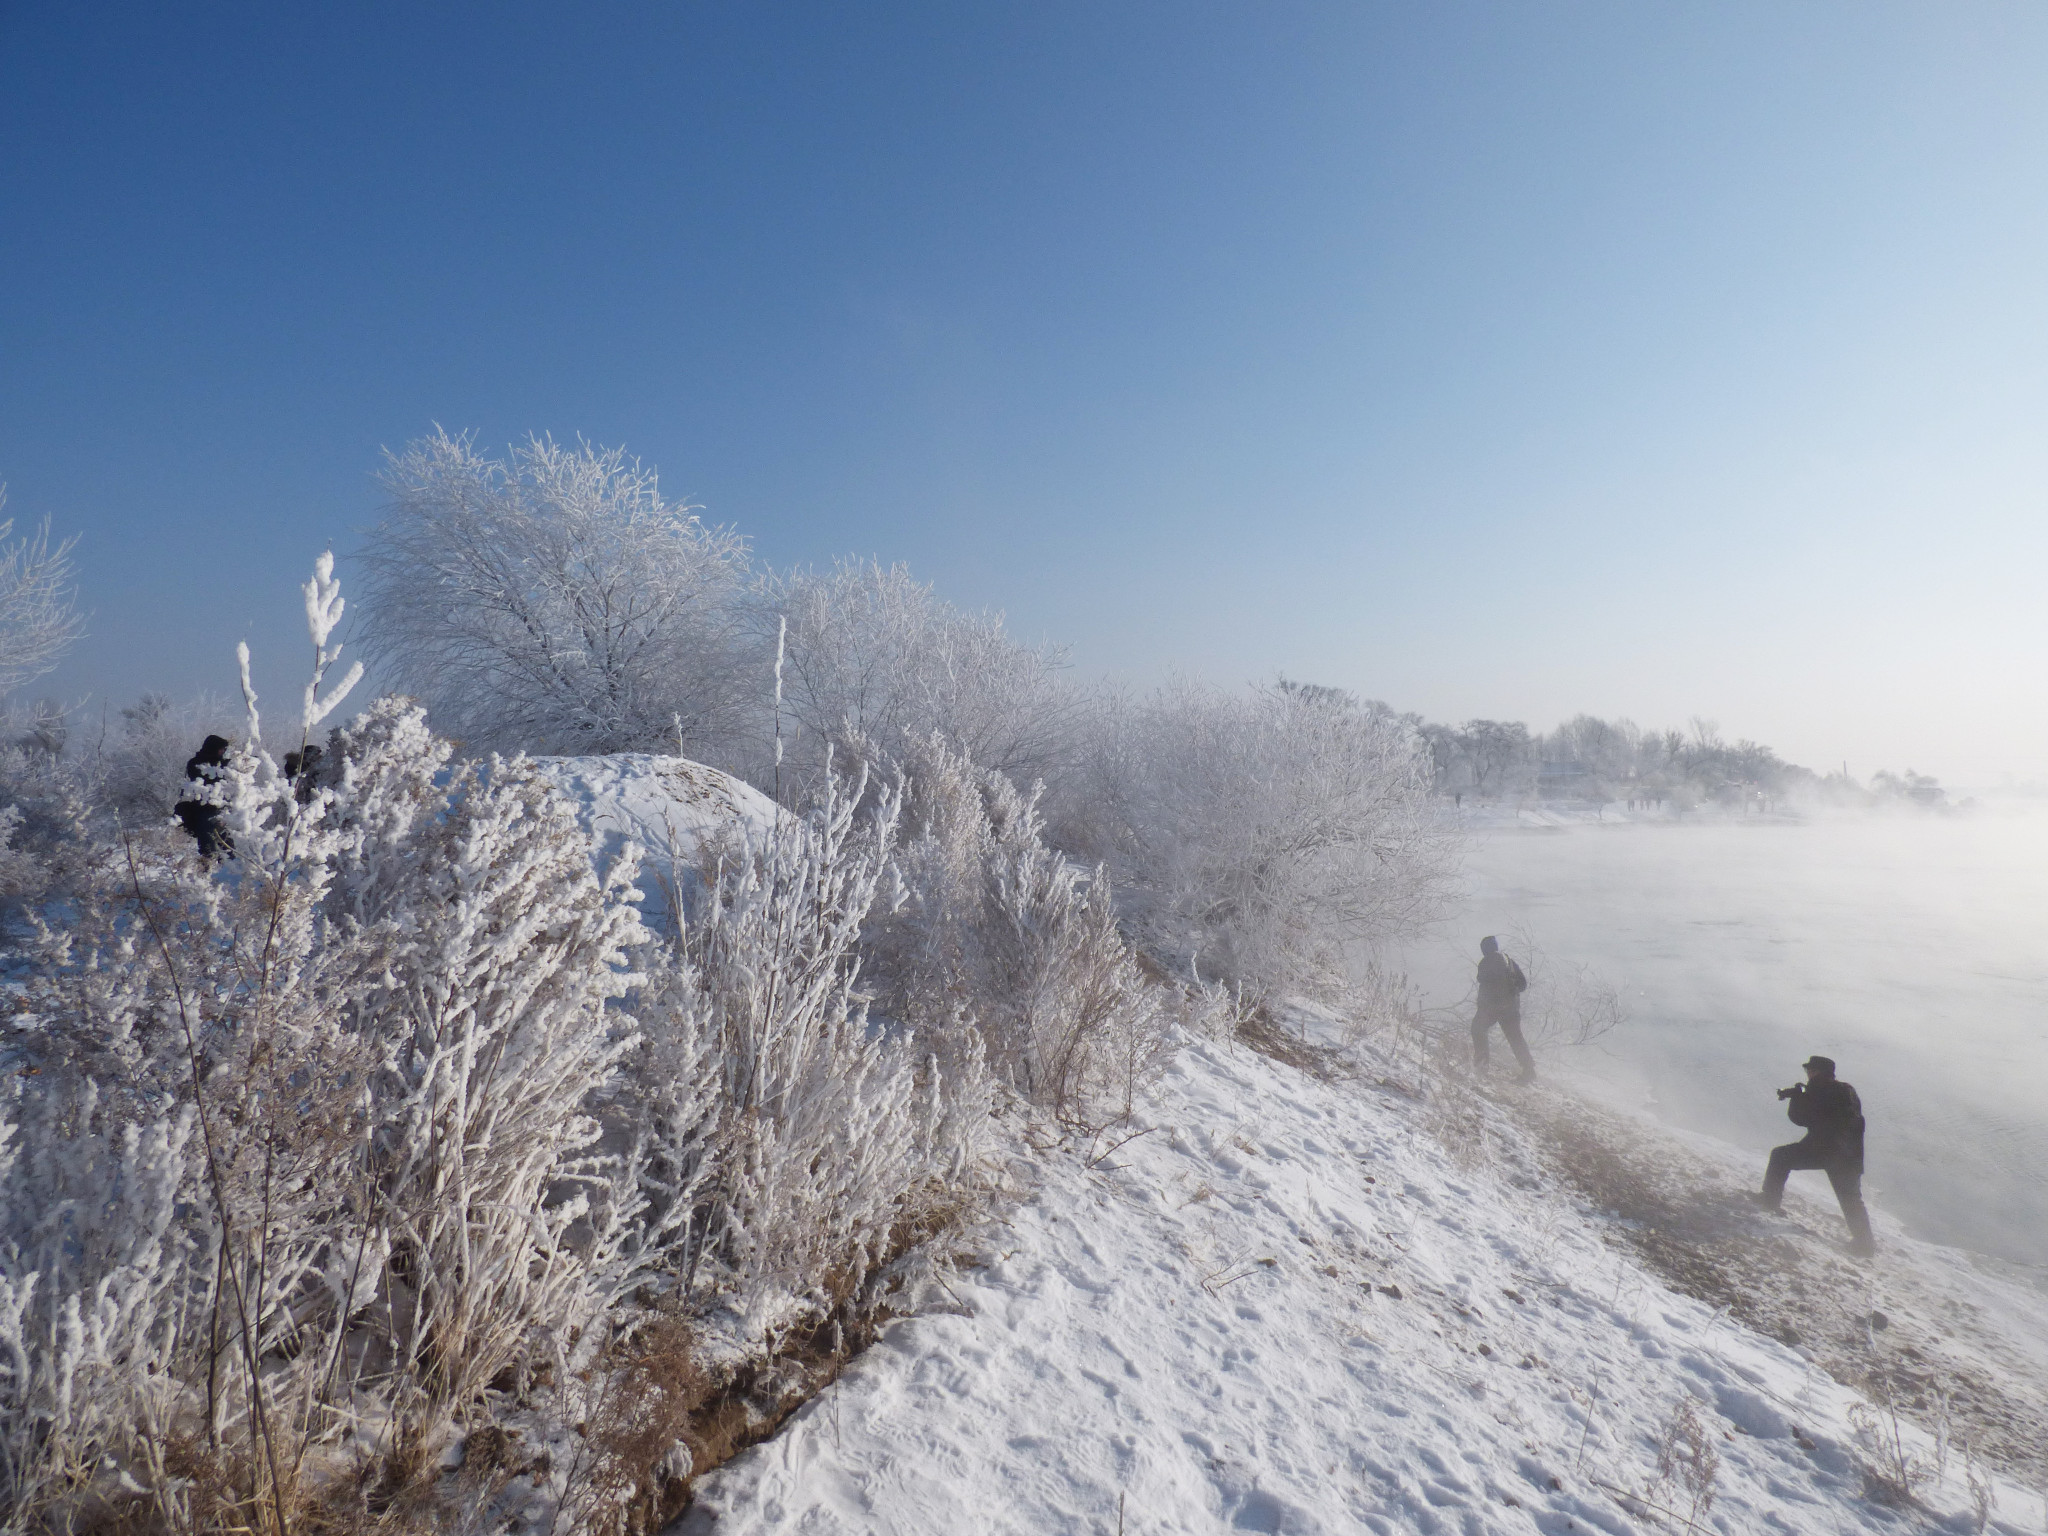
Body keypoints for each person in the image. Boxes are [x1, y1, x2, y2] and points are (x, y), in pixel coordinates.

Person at [1751, 1055, 1875, 1256]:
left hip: (1825, 1151)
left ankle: (1769, 1200)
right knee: (1851, 1199)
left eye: (1811, 1070)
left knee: (1780, 1156)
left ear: (1818, 1072)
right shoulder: (1846, 1090)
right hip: (1849, 1156)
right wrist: (1803, 1094)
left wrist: (1797, 1097)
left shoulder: (1821, 1089)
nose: (1808, 1074)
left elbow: (1801, 1118)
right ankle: (1865, 1245)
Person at [1471, 935, 1535, 1082]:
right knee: (1515, 1038)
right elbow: (1523, 984)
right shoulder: (1508, 960)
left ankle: (1482, 1067)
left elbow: (1481, 979)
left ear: (1484, 949)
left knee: (1477, 1029)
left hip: (1491, 1008)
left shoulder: (1486, 961)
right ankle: (1529, 1070)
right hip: (1511, 1008)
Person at [174, 734, 234, 861]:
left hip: (222, 808)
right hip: (203, 808)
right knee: (207, 836)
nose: (223, 752)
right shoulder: (196, 763)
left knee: (226, 839)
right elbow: (202, 779)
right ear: (213, 748)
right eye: (221, 749)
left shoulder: (222, 764)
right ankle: (211, 864)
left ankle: (230, 865)